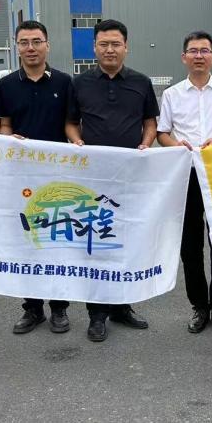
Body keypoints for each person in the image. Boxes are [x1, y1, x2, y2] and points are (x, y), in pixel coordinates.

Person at [66, 19, 158, 343]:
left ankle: (122, 306)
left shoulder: (141, 82)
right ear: (94, 47)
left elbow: (150, 122)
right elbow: (70, 123)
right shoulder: (79, 83)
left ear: (126, 47)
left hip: (130, 177)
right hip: (92, 177)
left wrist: (146, 144)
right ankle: (97, 314)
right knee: (97, 244)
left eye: (115, 44)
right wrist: (77, 142)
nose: (109, 50)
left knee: (126, 241)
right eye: (103, 44)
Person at [157, 30, 212, 334]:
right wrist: (176, 145)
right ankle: (199, 306)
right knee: (190, 245)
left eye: (204, 51)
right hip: (187, 175)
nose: (199, 56)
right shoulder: (172, 94)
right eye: (193, 51)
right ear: (184, 57)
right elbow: (162, 133)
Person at [0, 20, 75, 335]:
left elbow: (71, 126)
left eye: (37, 41)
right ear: (17, 46)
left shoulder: (65, 83)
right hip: (20, 176)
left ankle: (59, 307)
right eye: (24, 42)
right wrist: (8, 139)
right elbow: (4, 126)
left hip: (56, 177)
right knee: (26, 242)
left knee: (56, 241)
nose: (31, 48)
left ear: (47, 45)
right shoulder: (6, 85)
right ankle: (32, 308)